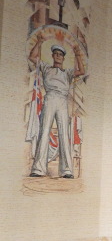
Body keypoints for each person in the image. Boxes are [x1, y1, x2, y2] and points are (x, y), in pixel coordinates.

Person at [28, 33, 85, 178]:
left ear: (64, 58)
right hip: (50, 98)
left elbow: (81, 71)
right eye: (56, 54)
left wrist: (78, 54)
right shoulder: (46, 68)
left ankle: (66, 170)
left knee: (64, 133)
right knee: (44, 131)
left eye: (61, 55)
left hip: (62, 100)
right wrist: (39, 43)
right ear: (53, 56)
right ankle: (38, 169)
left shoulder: (67, 72)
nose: (58, 56)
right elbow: (32, 57)